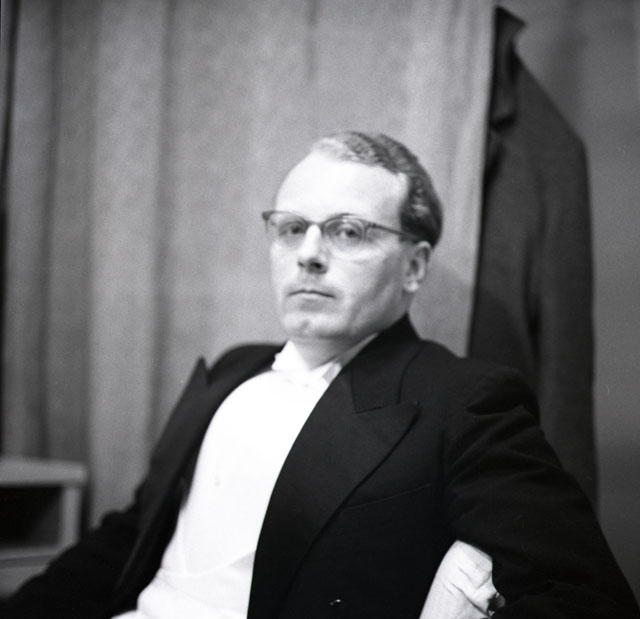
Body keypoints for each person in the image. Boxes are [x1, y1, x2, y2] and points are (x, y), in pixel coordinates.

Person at [4, 132, 639, 618]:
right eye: (290, 228)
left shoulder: (462, 401)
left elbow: (586, 599)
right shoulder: (231, 369)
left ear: (415, 267)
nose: (308, 254)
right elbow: (130, 535)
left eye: (348, 231)